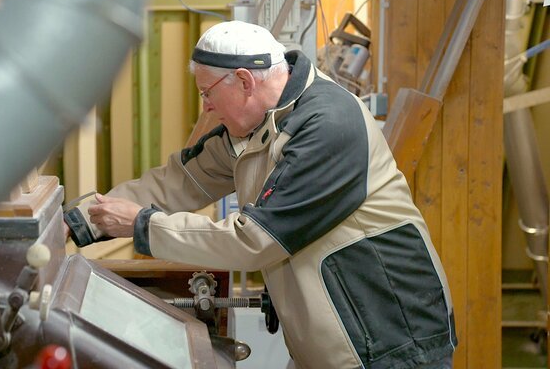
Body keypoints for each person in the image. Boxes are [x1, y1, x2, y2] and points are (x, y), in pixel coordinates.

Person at [64, 20, 456, 368]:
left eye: (207, 93)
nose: (207, 107)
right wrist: (79, 220)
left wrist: (141, 227)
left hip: (390, 338)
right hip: (333, 338)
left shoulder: (328, 125)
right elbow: (181, 180)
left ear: (245, 81)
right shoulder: (255, 127)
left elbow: (257, 239)